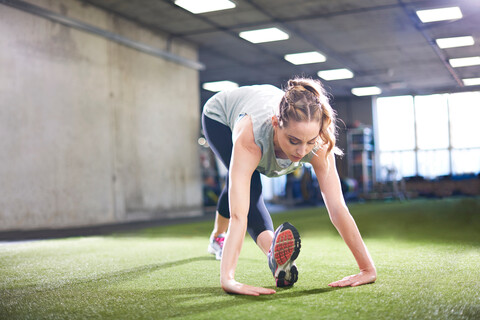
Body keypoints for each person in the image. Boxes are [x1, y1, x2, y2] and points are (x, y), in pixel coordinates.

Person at [202, 77, 376, 296]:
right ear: (276, 123)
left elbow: (338, 208)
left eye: (309, 141)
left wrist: (367, 269)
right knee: (250, 187)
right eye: (293, 141)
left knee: (239, 184)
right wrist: (228, 278)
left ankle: (271, 255)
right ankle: (220, 236)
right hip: (219, 116)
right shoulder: (250, 138)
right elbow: (239, 216)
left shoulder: (320, 144)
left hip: (259, 101)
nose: (302, 151)